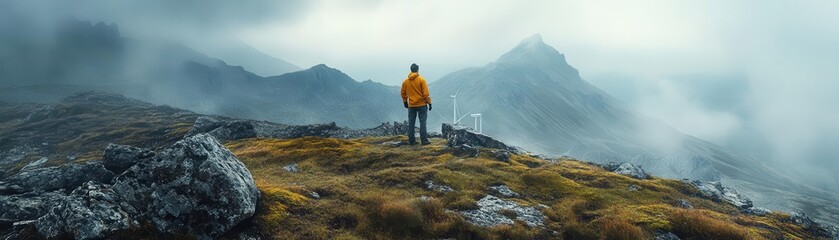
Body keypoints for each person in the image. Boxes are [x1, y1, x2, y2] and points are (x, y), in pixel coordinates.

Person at [401, 63, 432, 145]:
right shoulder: (422, 80)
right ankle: (424, 141)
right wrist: (429, 103)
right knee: (423, 123)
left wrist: (405, 101)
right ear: (418, 70)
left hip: (411, 106)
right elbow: (425, 94)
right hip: (422, 105)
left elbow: (403, 93)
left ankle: (411, 141)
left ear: (411, 70)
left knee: (411, 124)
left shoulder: (405, 82)